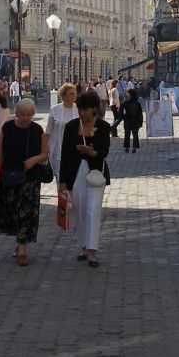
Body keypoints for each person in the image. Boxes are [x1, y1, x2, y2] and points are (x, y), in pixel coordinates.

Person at [0, 98, 48, 266]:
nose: (26, 118)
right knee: (13, 210)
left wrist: (35, 159)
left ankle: (22, 249)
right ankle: (19, 242)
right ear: (16, 113)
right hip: (9, 175)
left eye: (29, 115)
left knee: (26, 211)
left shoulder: (37, 129)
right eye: (22, 115)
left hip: (30, 177)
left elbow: (45, 153)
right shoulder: (7, 128)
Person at [59, 90, 110, 268]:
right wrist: (63, 181)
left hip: (95, 172)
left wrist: (91, 151)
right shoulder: (72, 126)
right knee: (80, 210)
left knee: (93, 209)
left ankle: (92, 250)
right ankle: (83, 245)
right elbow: (65, 153)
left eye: (85, 109)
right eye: (80, 109)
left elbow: (104, 151)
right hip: (75, 171)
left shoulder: (103, 127)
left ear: (94, 109)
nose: (82, 113)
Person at [45, 83, 77, 182]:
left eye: (75, 93)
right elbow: (48, 131)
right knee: (61, 180)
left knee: (73, 180)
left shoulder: (79, 109)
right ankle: (62, 197)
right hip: (57, 150)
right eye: (71, 94)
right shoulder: (55, 109)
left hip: (74, 150)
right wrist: (44, 150)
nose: (74, 96)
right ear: (63, 95)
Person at [121, 88, 144, 152]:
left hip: (127, 120)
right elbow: (140, 114)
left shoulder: (125, 103)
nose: (126, 94)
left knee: (127, 134)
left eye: (127, 94)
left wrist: (123, 117)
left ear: (130, 95)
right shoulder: (138, 103)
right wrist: (141, 122)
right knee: (135, 134)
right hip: (136, 121)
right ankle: (134, 147)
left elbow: (121, 111)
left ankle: (126, 147)